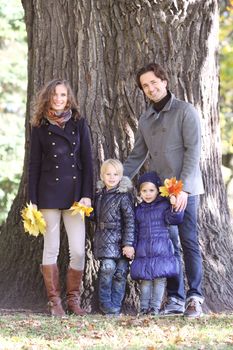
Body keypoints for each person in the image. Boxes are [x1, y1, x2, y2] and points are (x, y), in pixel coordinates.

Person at [124, 62, 204, 318]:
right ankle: (176, 299)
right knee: (169, 246)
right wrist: (118, 182)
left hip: (185, 190)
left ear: (164, 81)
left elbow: (193, 151)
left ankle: (195, 297)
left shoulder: (185, 111)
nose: (150, 88)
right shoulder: (146, 119)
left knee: (189, 241)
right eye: (145, 86)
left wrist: (184, 189)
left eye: (153, 82)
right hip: (161, 194)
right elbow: (137, 155)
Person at [28, 79, 93, 317]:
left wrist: (87, 194)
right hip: (47, 195)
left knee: (77, 250)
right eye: (54, 95)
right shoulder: (39, 126)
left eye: (63, 95)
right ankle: (55, 301)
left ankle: (73, 300)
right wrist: (32, 200)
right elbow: (34, 164)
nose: (58, 99)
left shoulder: (79, 124)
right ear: (48, 97)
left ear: (69, 99)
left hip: (76, 198)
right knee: (51, 248)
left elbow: (88, 163)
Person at [131, 172, 184, 316]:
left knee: (159, 280)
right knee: (146, 281)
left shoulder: (164, 205)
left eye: (151, 190)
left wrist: (174, 207)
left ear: (158, 190)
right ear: (140, 192)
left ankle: (154, 308)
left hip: (161, 250)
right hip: (143, 252)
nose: (147, 194)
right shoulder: (138, 210)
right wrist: (132, 246)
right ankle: (143, 308)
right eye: (144, 191)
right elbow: (134, 231)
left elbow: (175, 219)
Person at [93, 159, 135, 316]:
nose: (111, 177)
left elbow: (130, 222)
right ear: (102, 176)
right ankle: (106, 304)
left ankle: (116, 306)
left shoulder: (124, 196)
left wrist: (129, 244)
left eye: (115, 174)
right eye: (108, 174)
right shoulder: (99, 195)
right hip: (105, 241)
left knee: (120, 274)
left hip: (122, 242)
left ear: (121, 176)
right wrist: (87, 212)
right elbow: (96, 217)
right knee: (107, 269)